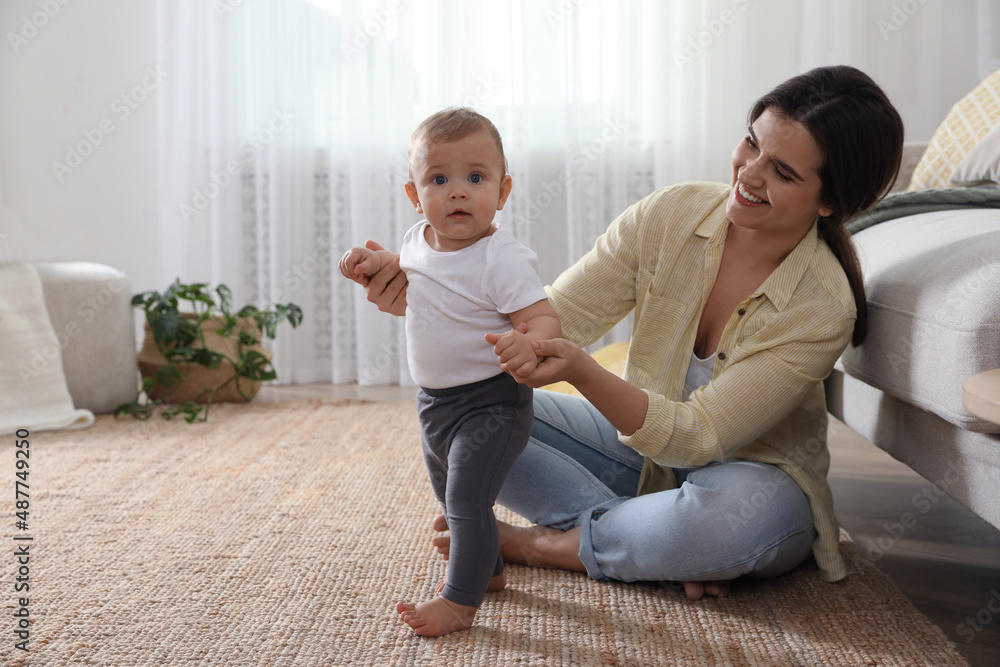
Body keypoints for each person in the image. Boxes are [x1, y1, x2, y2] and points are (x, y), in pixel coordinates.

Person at [352, 66, 903, 603]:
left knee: (728, 529)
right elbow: (549, 317)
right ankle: (649, 547)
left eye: (782, 172)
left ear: (830, 201)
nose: (749, 173)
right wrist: (431, 296)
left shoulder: (823, 306)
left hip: (750, 483)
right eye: (750, 142)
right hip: (637, 458)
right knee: (465, 412)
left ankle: (556, 546)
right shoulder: (671, 215)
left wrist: (583, 371)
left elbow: (699, 437)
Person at [339, 107, 561, 636]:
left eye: (475, 178)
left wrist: (528, 341)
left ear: (503, 191)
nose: (458, 192)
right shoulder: (418, 241)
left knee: (466, 498)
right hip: (435, 402)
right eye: (439, 180)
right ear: (416, 196)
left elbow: (542, 315)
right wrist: (367, 262)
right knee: (449, 495)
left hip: (492, 402)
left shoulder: (500, 258)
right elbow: (409, 271)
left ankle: (460, 603)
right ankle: (490, 571)